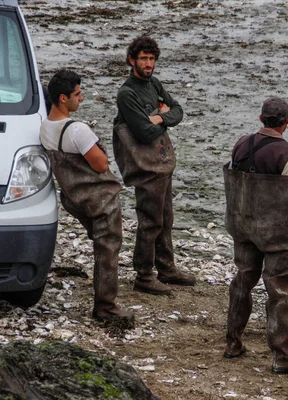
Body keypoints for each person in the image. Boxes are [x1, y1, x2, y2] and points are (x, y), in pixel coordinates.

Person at [223, 97, 288, 375]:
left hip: (243, 224)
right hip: (276, 232)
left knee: (243, 280)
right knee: (279, 291)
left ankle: (233, 343)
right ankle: (282, 356)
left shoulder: (241, 144)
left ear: (261, 119)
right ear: (286, 123)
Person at [40, 69, 133, 328]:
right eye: (77, 94)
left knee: (100, 245)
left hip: (75, 199)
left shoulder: (45, 128)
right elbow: (101, 164)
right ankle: (106, 306)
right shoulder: (77, 130)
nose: (82, 98)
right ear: (62, 98)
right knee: (108, 250)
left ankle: (103, 300)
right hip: (100, 200)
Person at [113, 34, 196, 296]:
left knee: (166, 217)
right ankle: (144, 275)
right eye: (144, 59)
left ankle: (166, 267)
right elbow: (144, 133)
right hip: (144, 164)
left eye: (152, 59)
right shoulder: (126, 94)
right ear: (131, 60)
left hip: (161, 162)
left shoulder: (154, 83)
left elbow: (179, 110)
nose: (149, 64)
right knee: (150, 219)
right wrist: (163, 116)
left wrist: (159, 116)